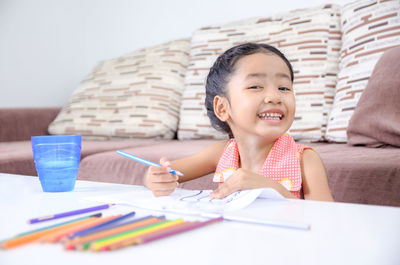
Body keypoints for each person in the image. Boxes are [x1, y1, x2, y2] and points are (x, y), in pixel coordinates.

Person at [143, 43, 333, 201]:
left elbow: (326, 220)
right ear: (222, 108)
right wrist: (155, 178)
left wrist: (273, 190)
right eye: (255, 86)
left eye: (284, 88)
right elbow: (167, 172)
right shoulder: (221, 153)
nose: (274, 97)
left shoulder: (305, 160)